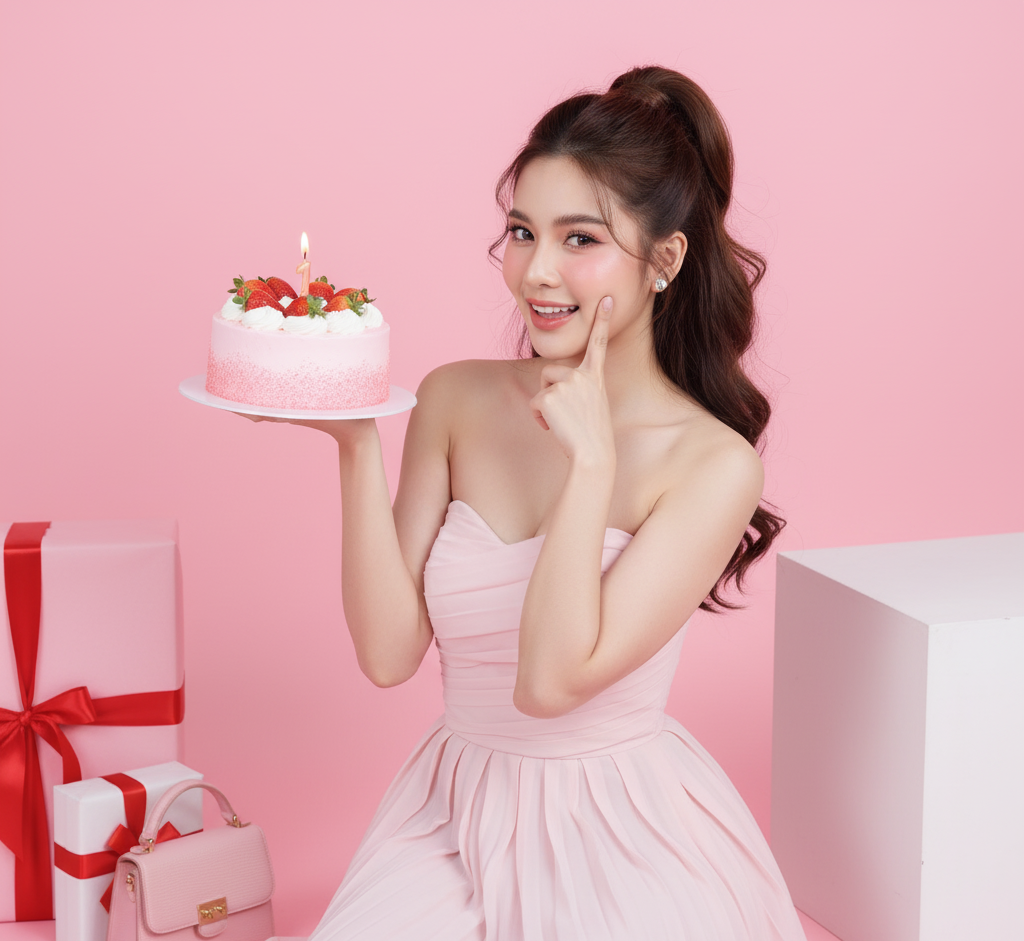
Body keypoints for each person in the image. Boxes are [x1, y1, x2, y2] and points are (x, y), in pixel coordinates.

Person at [261, 65, 805, 940]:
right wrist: (355, 440)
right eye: (521, 231)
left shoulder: (712, 464)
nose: (536, 272)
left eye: (579, 239)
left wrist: (591, 464)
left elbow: (551, 683)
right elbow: (389, 654)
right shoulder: (454, 398)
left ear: (664, 259)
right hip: (449, 813)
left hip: (620, 824)